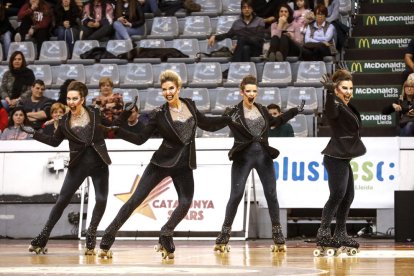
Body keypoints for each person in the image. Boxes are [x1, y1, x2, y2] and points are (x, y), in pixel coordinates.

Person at [98, 70, 231, 259]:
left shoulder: (190, 105)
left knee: (185, 202)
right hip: (160, 163)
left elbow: (208, 125)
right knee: (135, 200)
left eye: (171, 88)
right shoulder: (158, 114)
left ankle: (166, 233)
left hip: (184, 164)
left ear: (178, 88)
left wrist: (227, 118)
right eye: (164, 89)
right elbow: (140, 139)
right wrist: (118, 130)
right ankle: (107, 238)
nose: (168, 92)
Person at [20, 81, 129, 255]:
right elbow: (54, 142)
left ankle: (91, 235)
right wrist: (34, 133)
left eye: (75, 98)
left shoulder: (94, 112)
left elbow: (110, 128)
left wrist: (126, 114)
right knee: (62, 201)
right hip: (77, 165)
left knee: (101, 200)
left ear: (82, 99)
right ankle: (42, 237)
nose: (71, 102)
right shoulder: (63, 121)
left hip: (99, 163)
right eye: (69, 98)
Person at [214, 75, 304, 253]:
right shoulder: (232, 111)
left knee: (271, 194)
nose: (251, 94)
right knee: (236, 195)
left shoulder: (262, 109)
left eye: (254, 91)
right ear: (241, 92)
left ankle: (278, 235)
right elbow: (215, 124)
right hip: (243, 156)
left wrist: (295, 111)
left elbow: (277, 122)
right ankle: (224, 234)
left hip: (263, 155)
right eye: (248, 91)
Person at [315, 69, 366, 255]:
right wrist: (329, 93)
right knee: (337, 194)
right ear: (336, 89)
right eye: (344, 88)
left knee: (348, 196)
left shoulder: (346, 105)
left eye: (351, 88)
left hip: (343, 158)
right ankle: (323, 232)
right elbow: (330, 113)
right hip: (335, 158)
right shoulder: (335, 103)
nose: (348, 91)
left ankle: (340, 233)